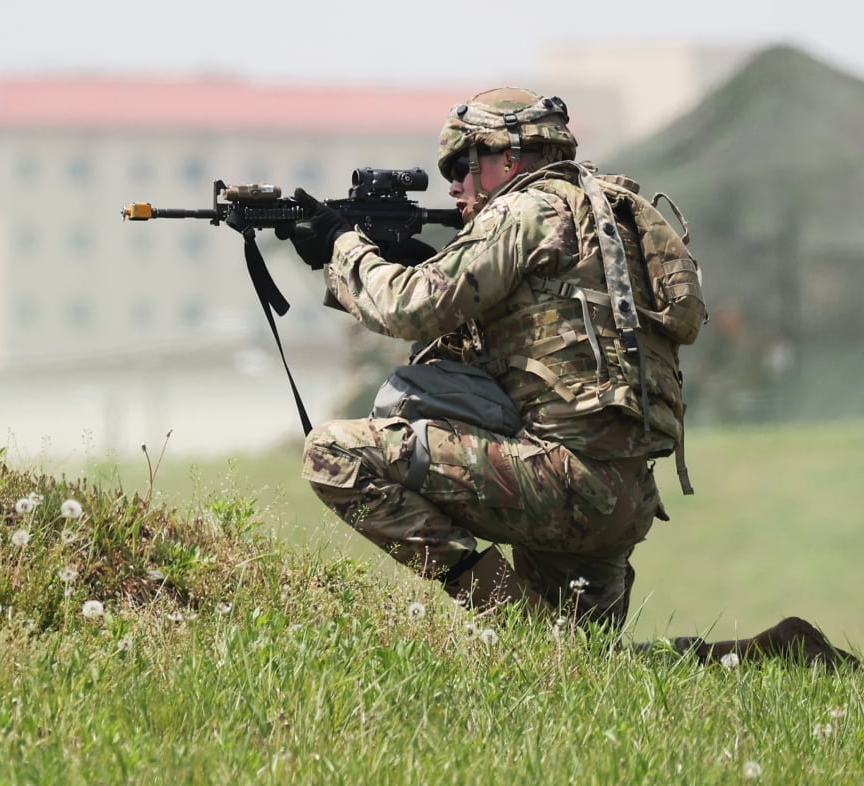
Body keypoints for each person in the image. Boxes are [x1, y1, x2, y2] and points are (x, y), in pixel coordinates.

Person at [280, 87, 703, 631]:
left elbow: (410, 309)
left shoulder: (526, 209)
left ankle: (514, 625)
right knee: (586, 669)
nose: (453, 183)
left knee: (333, 455)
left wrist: (344, 248)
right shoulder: (606, 217)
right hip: (622, 495)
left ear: (507, 156)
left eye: (462, 163)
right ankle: (779, 649)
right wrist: (411, 261)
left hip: (559, 479)